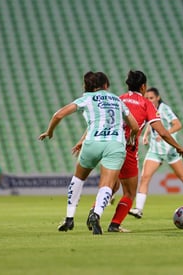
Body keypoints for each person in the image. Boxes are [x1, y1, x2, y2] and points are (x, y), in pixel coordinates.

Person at [73, 70, 183, 232]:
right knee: (129, 192)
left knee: (110, 186)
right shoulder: (145, 103)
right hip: (126, 149)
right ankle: (115, 224)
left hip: (108, 145)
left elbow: (98, 122)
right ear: (143, 86)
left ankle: (95, 212)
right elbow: (162, 131)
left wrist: (81, 140)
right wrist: (178, 146)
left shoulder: (117, 98)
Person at [39, 71, 139, 235]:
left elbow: (58, 115)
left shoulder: (86, 98)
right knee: (107, 184)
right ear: (106, 85)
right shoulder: (117, 100)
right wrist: (132, 139)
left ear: (87, 86)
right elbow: (134, 127)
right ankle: (96, 213)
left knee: (78, 178)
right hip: (115, 144)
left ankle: (69, 218)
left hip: (93, 142)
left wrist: (50, 132)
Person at [129, 87, 183, 219]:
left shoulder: (165, 109)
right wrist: (146, 135)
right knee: (145, 177)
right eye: (147, 98)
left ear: (158, 98)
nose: (149, 100)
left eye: (151, 98)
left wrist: (165, 134)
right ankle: (139, 209)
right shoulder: (148, 108)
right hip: (155, 150)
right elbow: (150, 123)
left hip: (170, 149)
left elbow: (178, 124)